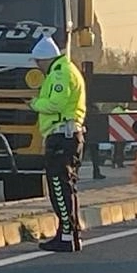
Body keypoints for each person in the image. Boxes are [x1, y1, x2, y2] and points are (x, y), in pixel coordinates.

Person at [28, 36, 86, 252]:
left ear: (45, 59)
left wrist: (35, 104)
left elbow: (56, 103)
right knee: (65, 186)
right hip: (66, 135)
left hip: (63, 135)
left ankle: (67, 235)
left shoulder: (60, 74)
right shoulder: (63, 70)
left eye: (37, 62)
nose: (37, 67)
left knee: (59, 187)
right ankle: (70, 232)